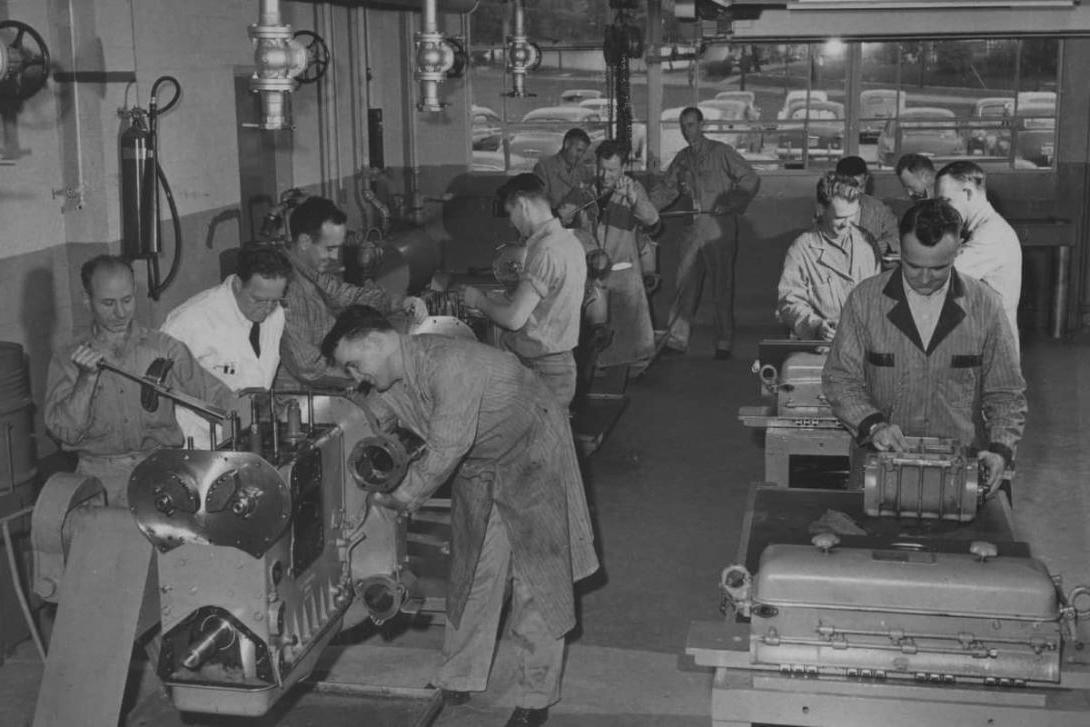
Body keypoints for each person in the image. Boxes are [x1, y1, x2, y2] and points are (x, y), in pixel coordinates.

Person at [321, 306, 598, 727]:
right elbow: (374, 427)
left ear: (376, 342)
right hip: (480, 465)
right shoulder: (388, 381)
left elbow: (445, 448)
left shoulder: (451, 365)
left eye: (354, 364)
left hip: (534, 455)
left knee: (537, 580)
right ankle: (460, 674)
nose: (355, 376)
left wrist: (400, 498)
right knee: (473, 570)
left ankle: (534, 696)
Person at [822, 199, 1027, 495]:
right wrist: (874, 425)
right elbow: (840, 379)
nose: (925, 278)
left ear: (957, 252)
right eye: (913, 265)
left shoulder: (985, 305)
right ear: (900, 252)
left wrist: (1000, 450)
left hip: (963, 469)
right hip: (882, 466)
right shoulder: (865, 301)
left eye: (939, 267)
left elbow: (1007, 393)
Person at [44, 255, 237, 506]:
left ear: (135, 292)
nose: (120, 312)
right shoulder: (67, 357)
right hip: (99, 482)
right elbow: (64, 433)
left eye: (127, 300)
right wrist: (86, 380)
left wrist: (252, 411)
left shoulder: (165, 349)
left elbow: (217, 400)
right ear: (86, 300)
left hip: (159, 473)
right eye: (108, 303)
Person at [462, 174, 587, 407]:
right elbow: (547, 302)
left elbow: (513, 320)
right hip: (558, 364)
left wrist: (478, 300)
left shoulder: (546, 251)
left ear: (522, 204)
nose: (511, 222)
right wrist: (503, 298)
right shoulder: (569, 241)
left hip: (543, 370)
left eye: (511, 213)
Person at [277, 195, 424, 389]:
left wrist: (399, 302)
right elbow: (308, 368)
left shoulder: (310, 271)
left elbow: (347, 295)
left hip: (333, 382)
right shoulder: (287, 287)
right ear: (304, 241)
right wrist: (363, 370)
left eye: (338, 248)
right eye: (329, 248)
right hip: (302, 400)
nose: (335, 256)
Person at [649, 105, 761, 359]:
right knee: (684, 283)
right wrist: (643, 207)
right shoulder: (682, 158)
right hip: (692, 229)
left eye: (690, 125)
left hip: (717, 229)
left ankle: (724, 341)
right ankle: (677, 338)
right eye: (683, 126)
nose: (687, 131)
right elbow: (666, 190)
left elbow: (750, 178)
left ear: (702, 125)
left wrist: (730, 201)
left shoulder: (721, 152)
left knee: (722, 285)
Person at [161, 244, 293, 448]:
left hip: (249, 436)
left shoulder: (276, 313)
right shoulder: (190, 320)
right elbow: (162, 383)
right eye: (259, 300)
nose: (267, 309)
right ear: (239, 284)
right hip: (199, 442)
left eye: (274, 301)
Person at [574, 139, 661, 371]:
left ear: (623, 168)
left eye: (611, 170)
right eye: (601, 168)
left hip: (623, 273)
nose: (605, 175)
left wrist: (633, 200)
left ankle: (633, 370)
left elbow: (653, 220)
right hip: (593, 275)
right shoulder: (586, 191)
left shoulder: (633, 189)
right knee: (595, 337)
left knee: (630, 339)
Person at [777, 173, 880, 341]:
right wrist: (816, 326)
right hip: (824, 347)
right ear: (821, 209)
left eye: (852, 215)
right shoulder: (802, 250)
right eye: (840, 218)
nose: (848, 224)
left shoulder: (867, 242)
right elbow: (789, 303)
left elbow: (880, 296)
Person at [934, 160, 1022, 346]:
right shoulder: (980, 228)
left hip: (993, 344)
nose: (941, 210)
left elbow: (938, 278)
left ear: (968, 193)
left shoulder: (991, 234)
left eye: (946, 201)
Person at [835, 155, 899, 258]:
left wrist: (887, 245)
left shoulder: (879, 209)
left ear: (866, 179)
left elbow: (896, 236)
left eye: (861, 186)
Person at [532, 128, 594, 212]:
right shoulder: (544, 167)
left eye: (583, 152)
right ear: (567, 144)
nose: (580, 156)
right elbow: (539, 204)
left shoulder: (582, 170)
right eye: (578, 150)